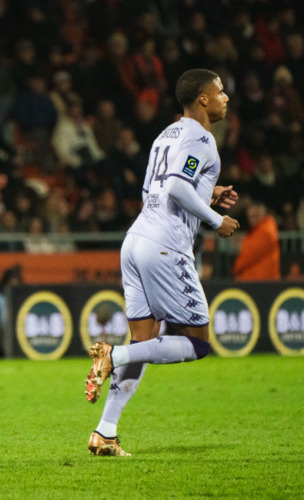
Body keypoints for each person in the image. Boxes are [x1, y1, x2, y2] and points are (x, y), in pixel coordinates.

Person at [84, 69, 240, 456]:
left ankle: (105, 432)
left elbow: (156, 187)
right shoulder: (201, 137)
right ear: (202, 99)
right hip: (166, 245)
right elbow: (175, 187)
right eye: (220, 92)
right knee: (197, 344)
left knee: (144, 341)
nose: (225, 98)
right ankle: (113, 354)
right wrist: (215, 219)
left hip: (136, 239)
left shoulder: (165, 134)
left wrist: (208, 191)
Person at [233, 201, 281, 281]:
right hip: (256, 282)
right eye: (250, 216)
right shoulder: (258, 229)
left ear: (262, 212)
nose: (251, 218)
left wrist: (235, 269)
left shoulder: (265, 231)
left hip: (260, 284)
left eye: (255, 215)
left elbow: (245, 258)